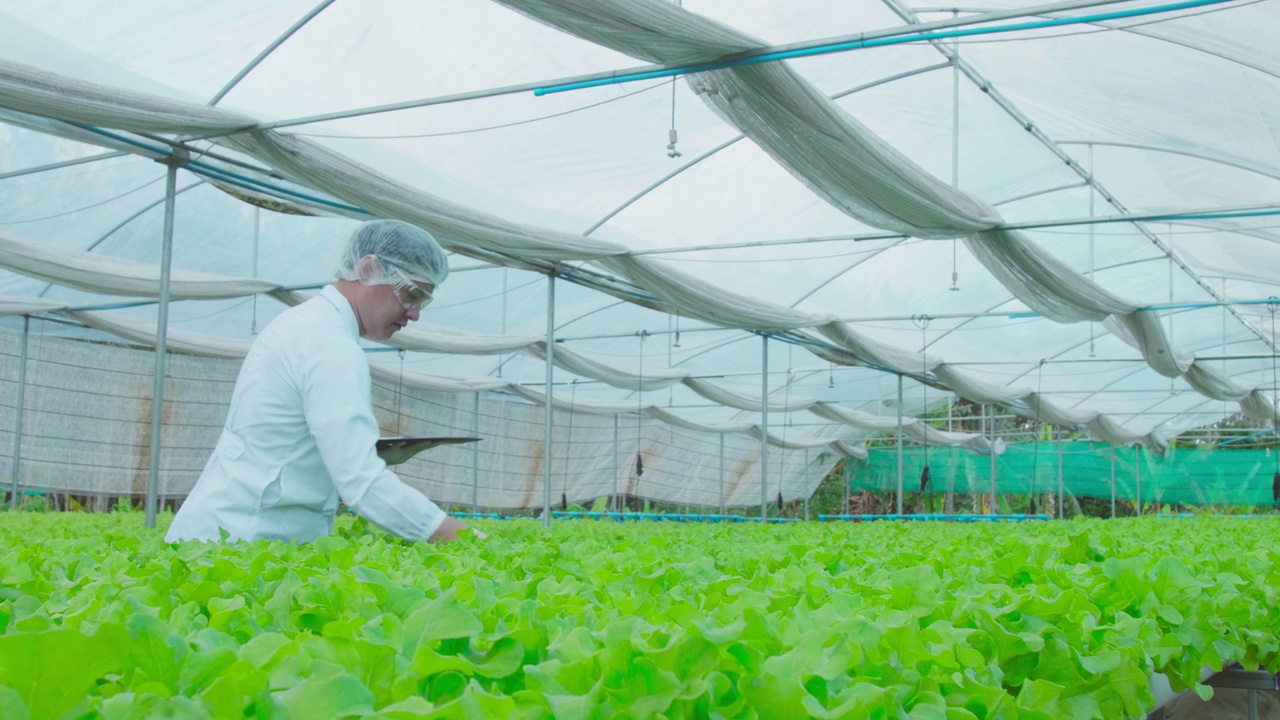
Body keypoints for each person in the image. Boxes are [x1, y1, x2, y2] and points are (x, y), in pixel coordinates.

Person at [166, 220, 475, 544]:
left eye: (423, 302)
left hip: (239, 539)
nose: (414, 314)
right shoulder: (327, 344)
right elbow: (361, 482)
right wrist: (465, 538)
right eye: (411, 294)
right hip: (237, 543)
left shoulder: (311, 326)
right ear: (369, 269)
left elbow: (289, 440)